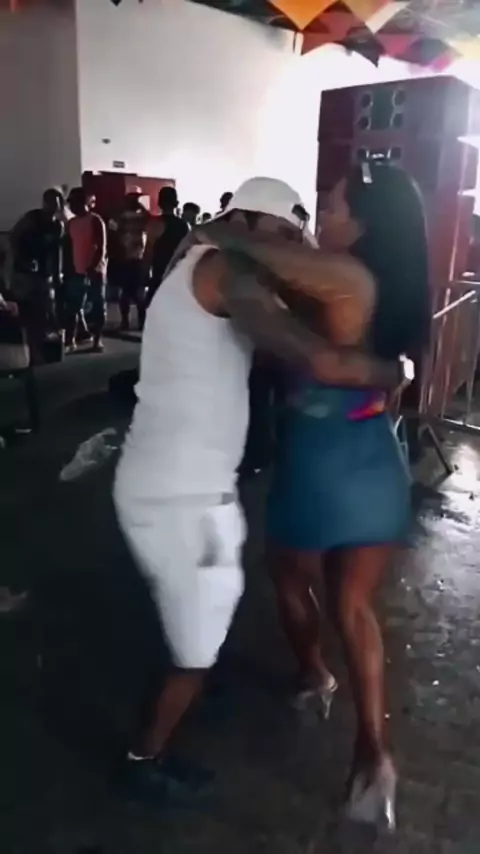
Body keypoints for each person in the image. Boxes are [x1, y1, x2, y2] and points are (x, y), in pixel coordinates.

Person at [113, 176, 407, 805]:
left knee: (217, 600)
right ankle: (146, 754)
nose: (287, 254)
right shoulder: (224, 270)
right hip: (182, 493)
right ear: (250, 226)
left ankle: (201, 666)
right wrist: (396, 370)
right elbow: (322, 362)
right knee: (204, 627)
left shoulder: (207, 265)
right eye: (281, 237)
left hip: (176, 480)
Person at [200, 164, 430, 830]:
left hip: (319, 461)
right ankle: (374, 751)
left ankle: (312, 674)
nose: (319, 220)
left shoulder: (345, 274)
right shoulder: (392, 285)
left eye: (330, 209)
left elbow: (250, 253)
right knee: (353, 605)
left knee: (287, 575)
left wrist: (219, 227)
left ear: (362, 224)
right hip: (374, 459)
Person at [7, 189, 65, 363]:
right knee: (25, 313)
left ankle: (37, 352)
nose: (53, 207)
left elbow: (56, 251)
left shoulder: (58, 226)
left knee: (43, 314)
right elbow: (13, 237)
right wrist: (22, 260)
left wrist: (57, 275)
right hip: (24, 274)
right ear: (44, 202)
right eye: (50, 202)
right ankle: (27, 352)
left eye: (56, 203)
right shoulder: (32, 218)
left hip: (44, 275)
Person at [64, 188, 107, 353]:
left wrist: (92, 267)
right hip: (77, 271)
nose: (71, 207)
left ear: (82, 202)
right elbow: (69, 248)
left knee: (98, 306)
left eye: (74, 203)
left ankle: (97, 340)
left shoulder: (95, 220)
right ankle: (70, 340)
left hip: (95, 272)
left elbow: (101, 248)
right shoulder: (71, 223)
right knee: (73, 306)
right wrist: (70, 269)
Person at [110, 187, 149, 331]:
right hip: (129, 258)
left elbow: (112, 228)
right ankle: (131, 322)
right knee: (131, 293)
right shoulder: (127, 216)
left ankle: (133, 322)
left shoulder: (138, 216)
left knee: (133, 293)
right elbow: (112, 229)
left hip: (134, 258)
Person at [143, 187, 189, 307]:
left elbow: (149, 251)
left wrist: (144, 272)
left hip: (158, 272)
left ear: (159, 203)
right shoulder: (183, 225)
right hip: (177, 273)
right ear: (176, 203)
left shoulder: (155, 223)